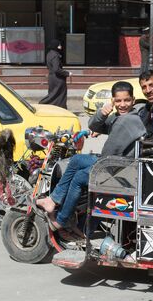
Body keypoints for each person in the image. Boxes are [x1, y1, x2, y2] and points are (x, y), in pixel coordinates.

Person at [36, 81, 147, 231]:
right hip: (115, 163)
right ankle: (53, 200)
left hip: (120, 170)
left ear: (133, 100)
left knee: (79, 178)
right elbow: (94, 125)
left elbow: (109, 153)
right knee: (76, 160)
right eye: (118, 101)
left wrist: (94, 166)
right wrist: (102, 112)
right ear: (113, 101)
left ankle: (61, 220)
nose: (123, 104)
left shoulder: (127, 121)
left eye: (127, 100)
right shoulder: (120, 117)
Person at [39, 39, 70, 109]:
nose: (60, 46)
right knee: (59, 94)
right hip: (58, 79)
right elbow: (57, 69)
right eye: (59, 45)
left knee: (53, 93)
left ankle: (54, 108)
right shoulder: (55, 55)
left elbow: (49, 66)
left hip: (52, 78)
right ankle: (43, 104)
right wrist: (67, 73)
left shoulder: (49, 54)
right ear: (56, 46)